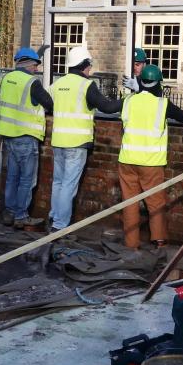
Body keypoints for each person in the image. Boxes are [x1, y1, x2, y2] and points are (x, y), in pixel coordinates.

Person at [48, 45, 123, 233]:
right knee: (68, 185)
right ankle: (60, 226)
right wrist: (130, 99)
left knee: (58, 182)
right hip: (77, 143)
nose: (90, 69)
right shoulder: (86, 85)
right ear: (83, 65)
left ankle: (53, 216)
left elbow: (48, 105)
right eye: (89, 65)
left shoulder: (57, 84)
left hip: (58, 141)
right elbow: (107, 107)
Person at [118, 64, 183, 249]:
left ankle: (131, 244)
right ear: (158, 84)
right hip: (151, 163)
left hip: (127, 160)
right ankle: (159, 241)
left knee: (130, 203)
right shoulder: (162, 104)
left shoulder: (128, 101)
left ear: (140, 82)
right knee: (155, 202)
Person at [0, 47, 53, 229]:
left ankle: (10, 213)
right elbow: (49, 103)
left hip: (8, 136)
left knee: (12, 177)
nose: (37, 69)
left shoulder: (7, 78)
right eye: (36, 65)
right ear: (28, 64)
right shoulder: (31, 83)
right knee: (27, 179)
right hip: (26, 136)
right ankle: (21, 216)